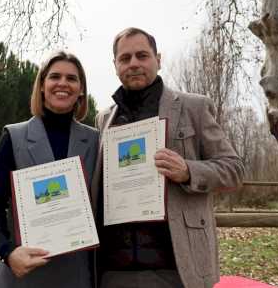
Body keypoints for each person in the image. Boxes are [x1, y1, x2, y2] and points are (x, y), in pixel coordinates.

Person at [92, 28, 244, 288]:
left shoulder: (194, 107)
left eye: (142, 55)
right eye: (125, 58)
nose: (134, 64)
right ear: (115, 65)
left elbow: (234, 170)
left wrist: (188, 171)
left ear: (158, 59)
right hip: (114, 270)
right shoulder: (104, 119)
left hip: (175, 268)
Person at [0, 51, 98, 288]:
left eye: (72, 78)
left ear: (81, 90)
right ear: (42, 86)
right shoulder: (13, 136)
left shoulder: (96, 141)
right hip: (23, 274)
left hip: (76, 275)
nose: (63, 83)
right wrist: (8, 252)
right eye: (55, 76)